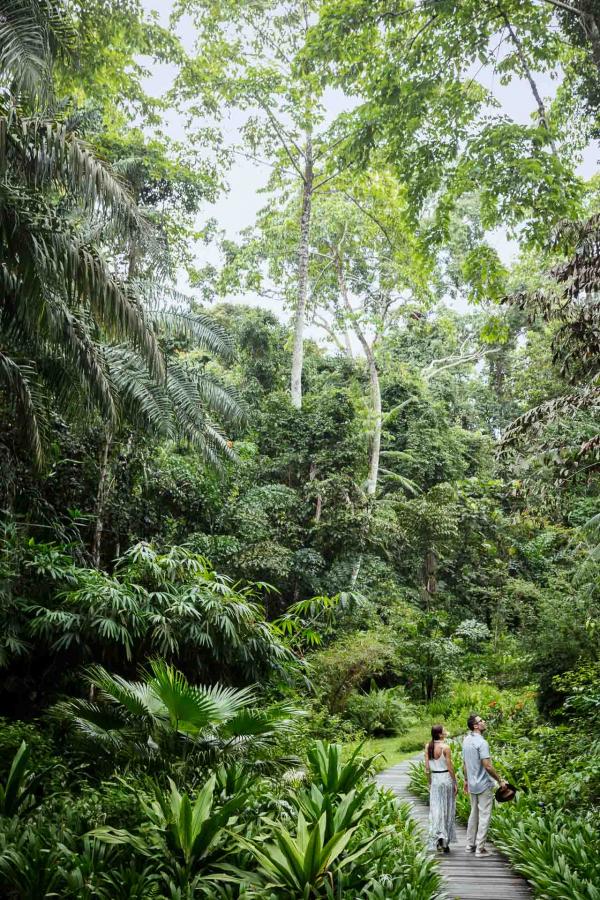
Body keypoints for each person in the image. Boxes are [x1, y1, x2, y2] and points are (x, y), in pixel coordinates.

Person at [462, 713, 507, 857]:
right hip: (483, 784)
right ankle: (480, 849)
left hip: (472, 784)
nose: (484, 722)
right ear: (476, 726)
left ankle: (470, 845)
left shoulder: (466, 740)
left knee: (473, 814)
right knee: (484, 816)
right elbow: (487, 766)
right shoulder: (482, 743)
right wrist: (500, 780)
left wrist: (466, 780)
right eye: (481, 721)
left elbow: (464, 764)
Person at [424, 724, 457, 853]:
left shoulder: (428, 746)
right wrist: (455, 782)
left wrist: (429, 782)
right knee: (447, 809)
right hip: (446, 779)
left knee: (436, 809)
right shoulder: (446, 747)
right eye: (444, 730)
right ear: (439, 734)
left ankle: (438, 837)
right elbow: (450, 767)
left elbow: (427, 769)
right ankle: (444, 841)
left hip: (436, 780)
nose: (446, 731)